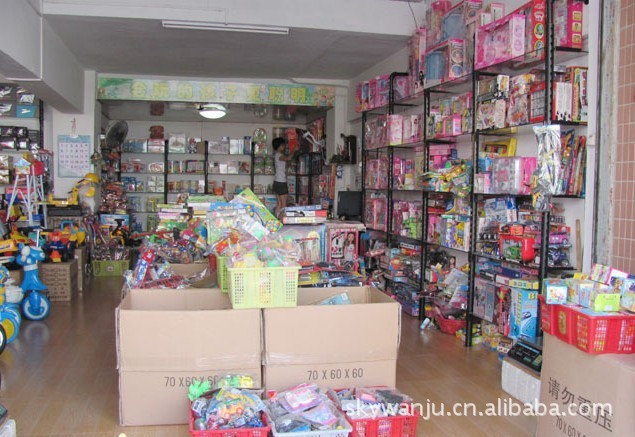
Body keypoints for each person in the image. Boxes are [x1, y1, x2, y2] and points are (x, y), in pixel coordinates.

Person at [272, 137, 296, 217]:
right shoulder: (279, 155)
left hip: (277, 182)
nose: (284, 147)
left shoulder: (276, 155)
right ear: (278, 146)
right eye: (282, 145)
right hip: (281, 182)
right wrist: (294, 150)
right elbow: (289, 158)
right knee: (283, 204)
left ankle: (275, 220)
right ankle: (283, 221)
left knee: (279, 203)